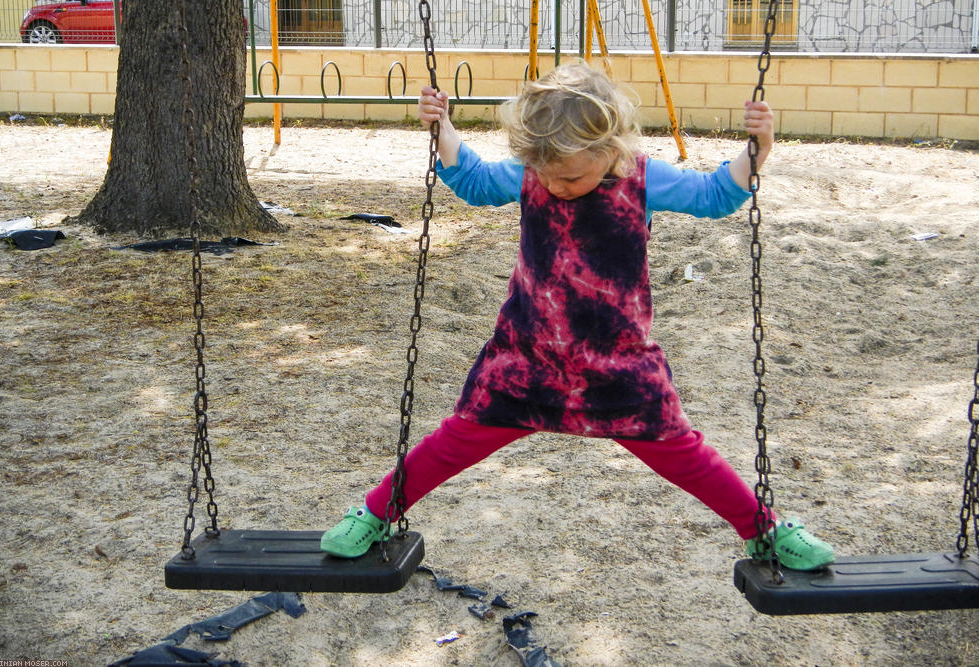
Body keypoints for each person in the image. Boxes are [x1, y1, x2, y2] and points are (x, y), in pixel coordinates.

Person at [321, 62, 834, 571]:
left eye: (569, 176)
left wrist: (756, 151)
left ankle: (763, 530)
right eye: (546, 174)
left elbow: (713, 195)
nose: (557, 186)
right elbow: (475, 182)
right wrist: (443, 127)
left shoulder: (643, 178)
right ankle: (375, 512)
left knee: (684, 452)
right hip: (527, 358)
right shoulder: (533, 173)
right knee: (455, 439)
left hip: (617, 365)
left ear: (611, 148)